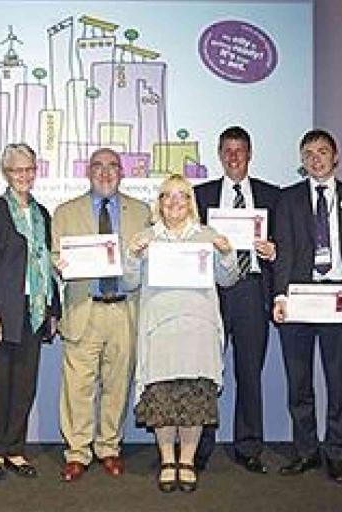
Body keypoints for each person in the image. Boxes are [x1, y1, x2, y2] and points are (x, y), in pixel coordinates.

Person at [126, 174, 239, 493]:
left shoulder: (207, 235)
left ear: (191, 202)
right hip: (160, 329)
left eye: (182, 196)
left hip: (199, 329)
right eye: (167, 196)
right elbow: (129, 283)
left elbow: (228, 280)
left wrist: (227, 252)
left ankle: (186, 461)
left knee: (194, 396)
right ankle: (167, 460)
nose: (175, 202)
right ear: (159, 202)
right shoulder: (145, 238)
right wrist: (133, 257)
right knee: (162, 396)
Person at [51, 148, 151, 482]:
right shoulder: (65, 213)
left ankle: (109, 447)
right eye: (98, 166)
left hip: (125, 309)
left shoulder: (142, 211)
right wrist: (58, 265)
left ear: (122, 172)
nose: (105, 173)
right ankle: (77, 451)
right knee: (77, 386)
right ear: (88, 172)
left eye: (112, 167)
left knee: (117, 384)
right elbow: (52, 256)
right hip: (84, 308)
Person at [273, 129, 342, 484]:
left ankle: (338, 452)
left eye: (323, 151)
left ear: (335, 156)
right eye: (308, 153)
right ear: (301, 161)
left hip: (339, 300)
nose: (316, 158)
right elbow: (282, 252)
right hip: (299, 300)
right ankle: (306, 451)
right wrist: (279, 297)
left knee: (338, 382)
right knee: (299, 384)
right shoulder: (288, 199)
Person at [193, 126, 280, 473]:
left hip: (253, 290)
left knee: (249, 371)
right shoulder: (201, 196)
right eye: (227, 150)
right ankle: (199, 445)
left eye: (239, 150)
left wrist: (275, 250)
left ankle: (248, 446)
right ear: (219, 154)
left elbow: (288, 243)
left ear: (250, 154)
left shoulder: (272, 196)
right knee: (207, 372)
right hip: (211, 292)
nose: (233, 157)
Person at [0, 143, 60, 480]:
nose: (23, 176)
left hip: (34, 311)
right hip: (1, 311)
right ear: (6, 173)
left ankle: (15, 449)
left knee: (25, 385)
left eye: (29, 169)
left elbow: (48, 265)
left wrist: (53, 311)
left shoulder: (43, 213)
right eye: (16, 170)